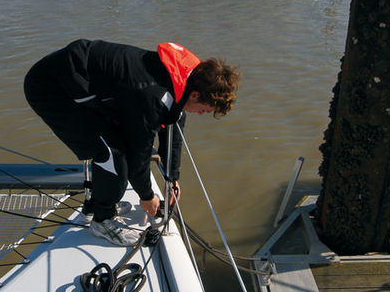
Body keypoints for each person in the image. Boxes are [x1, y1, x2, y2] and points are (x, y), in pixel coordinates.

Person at [24, 39, 240, 246]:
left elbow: (172, 129)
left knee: (119, 146)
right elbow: (140, 153)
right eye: (204, 110)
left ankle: (97, 204)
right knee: (112, 152)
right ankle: (102, 221)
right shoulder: (153, 96)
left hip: (87, 83)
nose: (202, 114)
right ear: (195, 95)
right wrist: (146, 196)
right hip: (53, 88)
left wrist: (171, 179)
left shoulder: (185, 81)